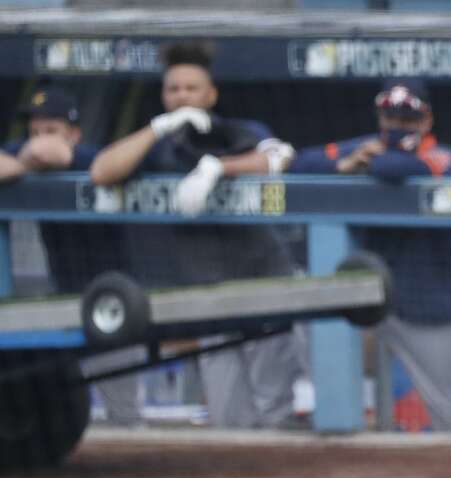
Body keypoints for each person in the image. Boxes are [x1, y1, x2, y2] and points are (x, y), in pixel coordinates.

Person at [89, 41, 302, 430]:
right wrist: (157, 128)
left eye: (191, 88)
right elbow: (102, 172)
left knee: (275, 411)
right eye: (174, 89)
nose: (183, 96)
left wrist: (217, 168)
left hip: (264, 282)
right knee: (226, 415)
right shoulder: (157, 146)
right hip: (208, 293)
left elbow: (279, 156)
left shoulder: (236, 131)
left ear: (211, 93)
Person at [289, 79, 451, 433]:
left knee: (450, 418)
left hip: (434, 305)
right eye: (390, 116)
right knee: (327, 381)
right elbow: (300, 164)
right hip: (369, 300)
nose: (397, 125)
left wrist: (371, 159)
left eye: (408, 118)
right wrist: (344, 166)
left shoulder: (444, 154)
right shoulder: (364, 148)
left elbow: (396, 170)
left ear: (426, 120)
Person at [1, 86, 143, 425]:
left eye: (51, 131)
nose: (40, 140)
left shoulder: (93, 156)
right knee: (61, 403)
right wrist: (23, 161)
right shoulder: (25, 157)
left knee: (124, 412)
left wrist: (31, 157)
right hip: (64, 300)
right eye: (34, 131)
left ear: (74, 134)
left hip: (113, 300)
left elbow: (66, 158)